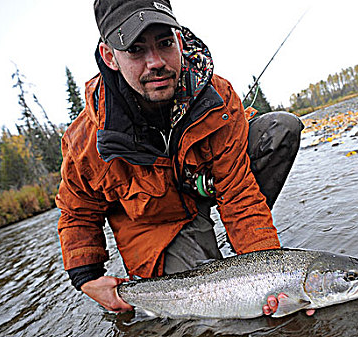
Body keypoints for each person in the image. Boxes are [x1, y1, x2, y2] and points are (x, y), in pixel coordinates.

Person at [56, 0, 303, 315]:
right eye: (135, 49)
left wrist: (272, 278)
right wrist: (87, 278)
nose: (156, 61)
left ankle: (237, 256)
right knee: (207, 319)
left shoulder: (216, 97)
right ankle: (202, 252)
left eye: (165, 43)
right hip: (155, 224)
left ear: (180, 39)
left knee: (279, 129)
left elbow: (239, 194)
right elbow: (77, 213)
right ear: (110, 57)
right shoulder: (86, 141)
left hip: (203, 184)